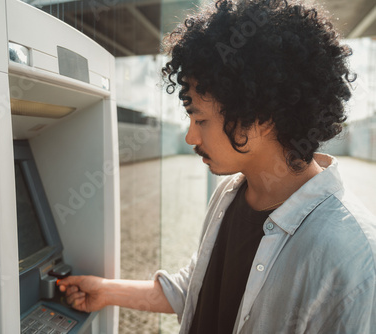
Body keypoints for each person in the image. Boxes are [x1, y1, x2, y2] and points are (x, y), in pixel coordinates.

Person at [58, 0, 376, 332]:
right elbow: (197, 291)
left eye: (201, 119)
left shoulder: (353, 256)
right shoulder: (230, 194)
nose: (190, 137)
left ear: (260, 117)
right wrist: (107, 291)